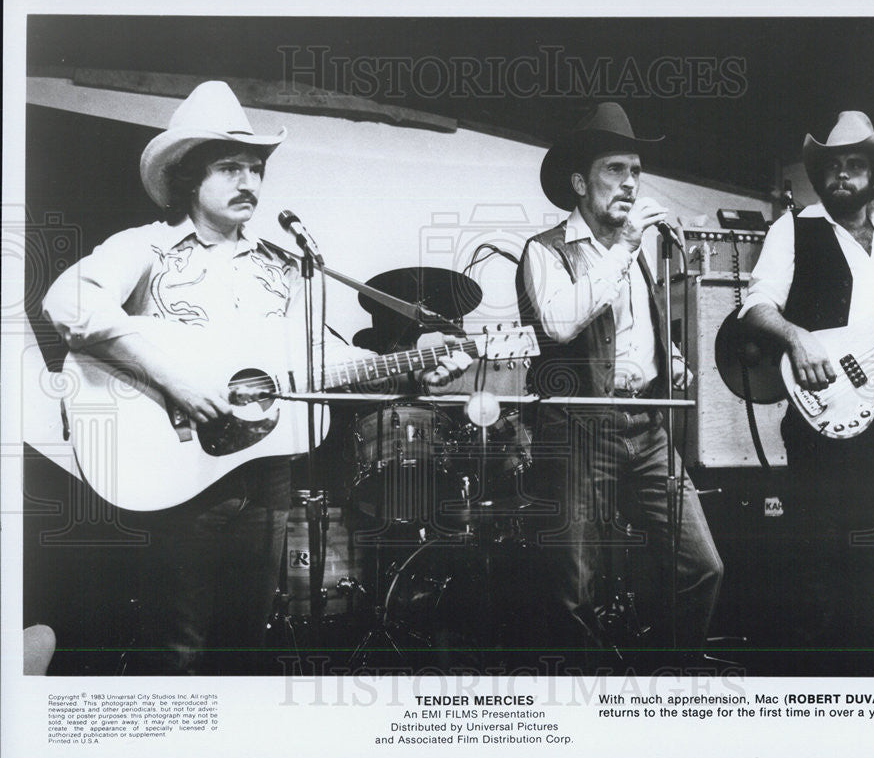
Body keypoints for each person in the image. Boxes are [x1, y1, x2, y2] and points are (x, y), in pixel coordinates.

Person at [42, 81, 470, 674]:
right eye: (229, 167)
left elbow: (321, 366)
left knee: (244, 647)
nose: (249, 181)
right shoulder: (148, 248)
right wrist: (179, 383)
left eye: (256, 168)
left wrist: (418, 366)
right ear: (190, 179)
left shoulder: (283, 265)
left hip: (265, 477)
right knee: (176, 649)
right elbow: (70, 304)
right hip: (177, 476)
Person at [516, 103, 723, 667]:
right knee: (574, 589)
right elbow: (559, 322)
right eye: (615, 170)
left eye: (635, 170)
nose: (630, 183)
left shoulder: (637, 255)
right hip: (578, 428)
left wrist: (671, 358)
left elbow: (635, 329)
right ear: (580, 182)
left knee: (702, 566)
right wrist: (625, 247)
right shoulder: (546, 250)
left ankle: (666, 682)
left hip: (647, 427)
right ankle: (585, 708)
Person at [738, 110, 874, 649]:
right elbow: (757, 307)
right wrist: (798, 338)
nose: (842, 175)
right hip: (822, 407)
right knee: (817, 554)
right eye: (833, 166)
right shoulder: (793, 228)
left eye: (855, 165)